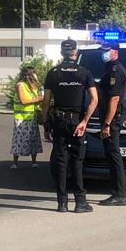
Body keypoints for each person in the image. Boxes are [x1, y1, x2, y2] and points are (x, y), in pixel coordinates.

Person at [42, 39, 98, 213]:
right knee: (77, 161)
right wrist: (84, 122)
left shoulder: (53, 73)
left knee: (60, 160)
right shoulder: (84, 73)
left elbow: (45, 102)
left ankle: (62, 203)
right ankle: (80, 202)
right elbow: (94, 100)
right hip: (76, 122)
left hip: (59, 121)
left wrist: (45, 124)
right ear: (76, 52)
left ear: (61, 53)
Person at [98, 41, 126, 206]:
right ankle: (124, 189)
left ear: (115, 52)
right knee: (113, 155)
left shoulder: (115, 71)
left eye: (106, 51)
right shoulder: (109, 68)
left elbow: (114, 98)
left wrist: (107, 124)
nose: (103, 53)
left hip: (112, 118)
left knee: (113, 155)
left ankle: (119, 194)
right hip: (112, 117)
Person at [10, 66, 44, 169]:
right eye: (34, 73)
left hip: (32, 117)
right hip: (21, 118)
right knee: (19, 139)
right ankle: (15, 163)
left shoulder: (35, 85)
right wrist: (38, 99)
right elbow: (23, 101)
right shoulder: (20, 85)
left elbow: (41, 96)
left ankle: (34, 162)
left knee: (33, 139)